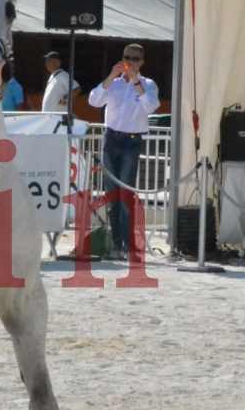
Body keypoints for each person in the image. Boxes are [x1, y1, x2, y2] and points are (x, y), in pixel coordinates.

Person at [88, 43, 160, 259]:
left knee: (126, 194)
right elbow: (94, 100)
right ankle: (116, 244)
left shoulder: (148, 84)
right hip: (111, 139)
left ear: (142, 62)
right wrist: (111, 76)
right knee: (112, 195)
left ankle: (128, 246)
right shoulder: (114, 84)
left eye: (135, 59)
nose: (131, 62)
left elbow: (151, 106)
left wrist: (136, 82)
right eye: (128, 57)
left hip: (131, 141)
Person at [41, 50, 75, 115]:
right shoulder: (53, 76)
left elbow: (76, 89)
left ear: (57, 62)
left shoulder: (63, 75)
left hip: (57, 117)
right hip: (49, 118)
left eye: (49, 61)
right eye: (46, 61)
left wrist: (65, 99)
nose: (46, 63)